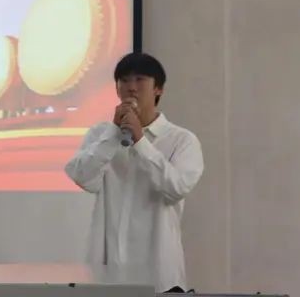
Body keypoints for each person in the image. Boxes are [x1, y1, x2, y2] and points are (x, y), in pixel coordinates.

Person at [65, 52, 204, 293]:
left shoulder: (181, 140)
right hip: (106, 274)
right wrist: (112, 134)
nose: (131, 87)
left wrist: (140, 141)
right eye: (124, 80)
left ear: (158, 89)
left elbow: (176, 188)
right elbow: (82, 177)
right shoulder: (101, 135)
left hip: (159, 275)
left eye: (140, 80)